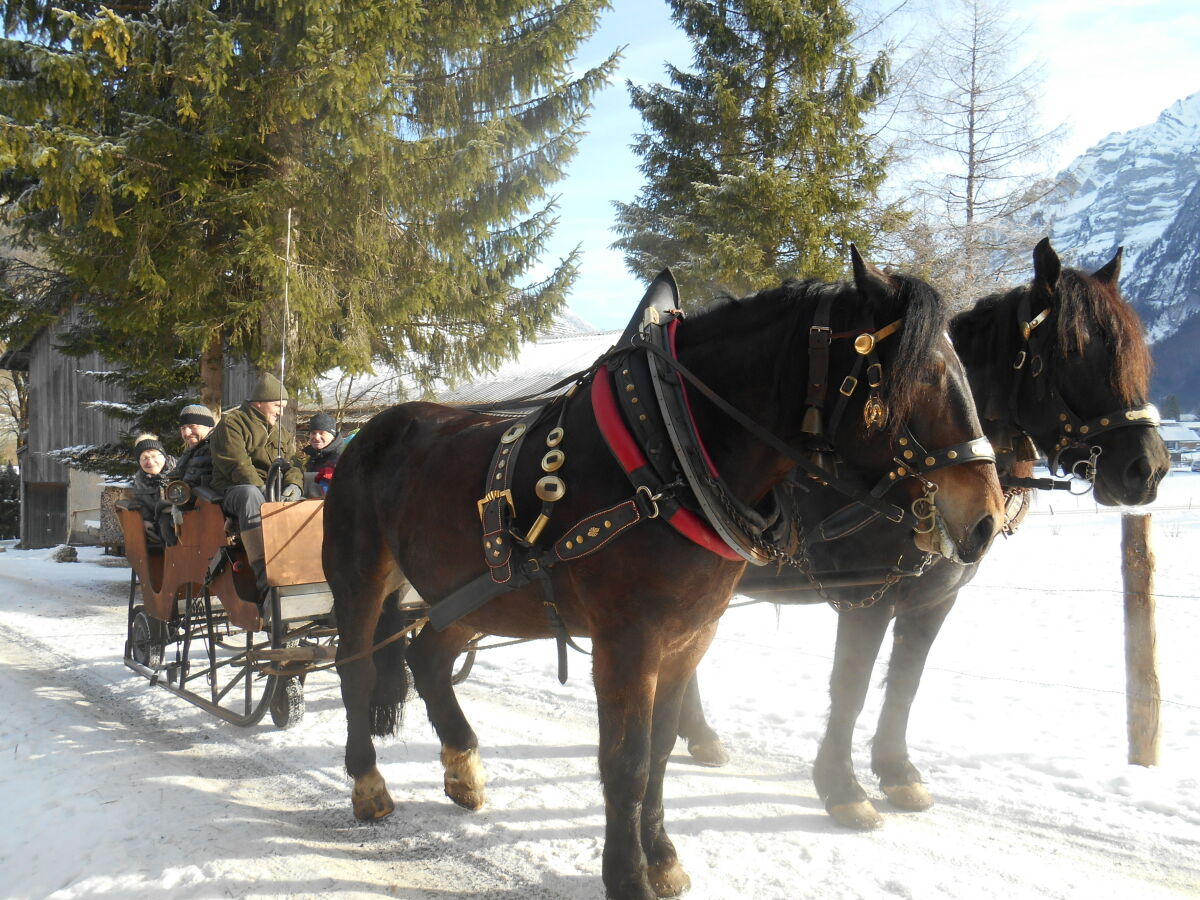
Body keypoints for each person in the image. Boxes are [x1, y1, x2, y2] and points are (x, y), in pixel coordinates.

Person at [209, 373, 304, 600]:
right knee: (251, 495)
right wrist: (264, 491)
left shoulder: (281, 432)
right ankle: (265, 578)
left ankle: (303, 571)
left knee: (304, 504)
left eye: (283, 406)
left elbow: (293, 464)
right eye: (277, 405)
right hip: (233, 490)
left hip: (271, 489)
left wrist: (295, 486)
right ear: (258, 402)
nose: (281, 411)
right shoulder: (232, 423)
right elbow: (237, 464)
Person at [157, 404, 217, 546]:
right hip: (194, 505)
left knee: (162, 515)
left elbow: (192, 484)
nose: (187, 433)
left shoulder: (208, 449)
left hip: (201, 510)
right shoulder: (193, 450)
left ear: (208, 426)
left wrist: (169, 504)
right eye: (183, 428)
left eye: (192, 426)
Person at [130, 434, 176, 544]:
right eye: (144, 458)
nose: (150, 462)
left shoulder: (179, 469)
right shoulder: (140, 481)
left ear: (164, 456)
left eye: (154, 456)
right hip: (158, 525)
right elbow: (141, 503)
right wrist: (146, 521)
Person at [302, 411, 350, 495]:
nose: (316, 437)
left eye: (322, 433)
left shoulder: (341, 458)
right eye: (313, 433)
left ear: (333, 436)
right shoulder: (314, 456)